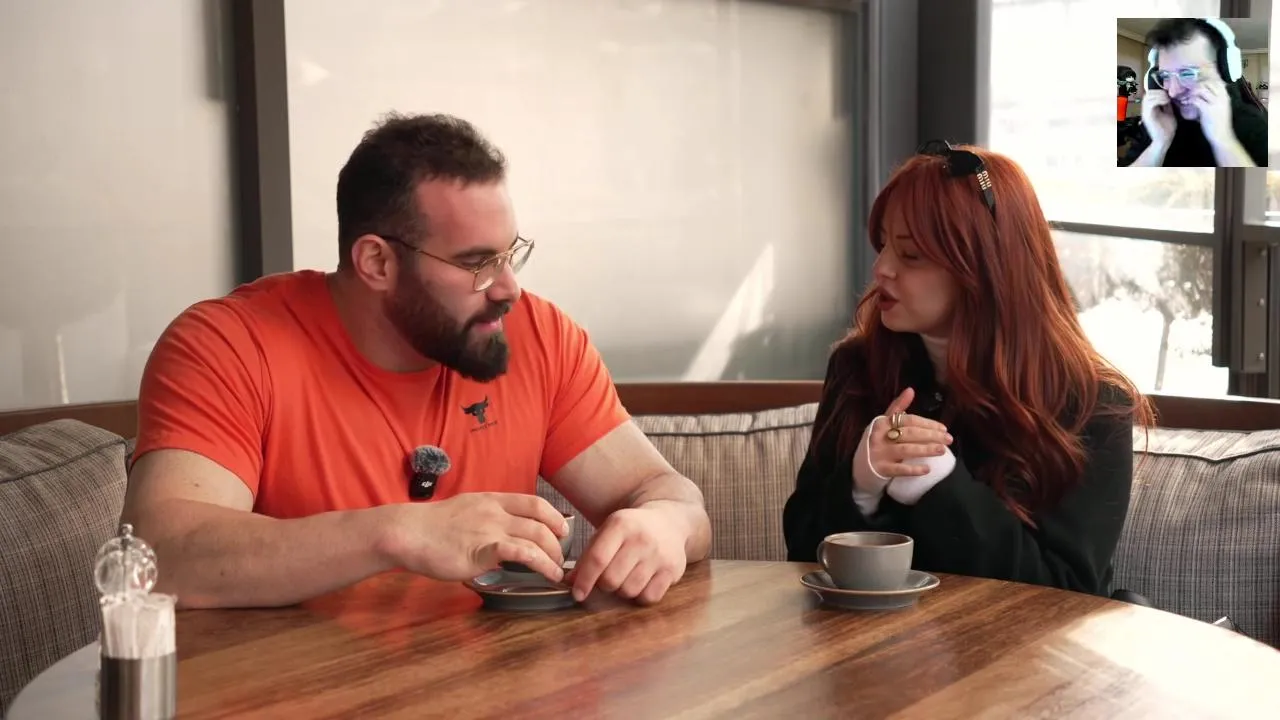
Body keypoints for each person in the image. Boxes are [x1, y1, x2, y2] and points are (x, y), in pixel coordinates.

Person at [122, 112, 711, 609]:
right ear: (377, 263)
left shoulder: (538, 336)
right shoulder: (229, 346)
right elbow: (160, 557)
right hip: (294, 688)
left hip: (496, 684)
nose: (508, 288)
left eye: (511, 254)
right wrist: (397, 533)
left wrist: (665, 522)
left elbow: (672, 499)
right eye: (477, 263)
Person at [782, 140, 1154, 596]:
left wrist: (938, 485)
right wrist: (860, 486)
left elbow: (1068, 593)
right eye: (883, 245)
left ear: (981, 268)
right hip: (868, 638)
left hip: (1022, 643)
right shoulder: (856, 368)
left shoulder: (1093, 404)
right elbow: (800, 555)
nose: (881, 269)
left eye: (910, 255)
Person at [1121, 17, 1267, 167]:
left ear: (1225, 72)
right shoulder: (1159, 118)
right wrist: (1159, 144)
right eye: (1165, 76)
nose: (1173, 92)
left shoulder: (1254, 125)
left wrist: (1223, 140)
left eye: (1188, 73)